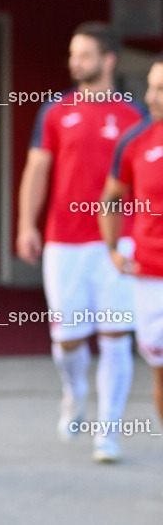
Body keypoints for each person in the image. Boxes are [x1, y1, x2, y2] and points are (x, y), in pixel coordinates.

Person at [16, 22, 145, 463]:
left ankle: (107, 432)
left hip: (117, 243)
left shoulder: (134, 116)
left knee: (114, 336)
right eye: (72, 54)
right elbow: (37, 170)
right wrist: (26, 225)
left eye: (84, 55)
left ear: (108, 59)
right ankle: (74, 393)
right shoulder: (54, 112)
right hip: (63, 243)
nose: (75, 63)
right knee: (68, 340)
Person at [99, 58, 163, 429]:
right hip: (151, 276)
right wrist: (112, 248)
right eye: (150, 87)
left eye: (160, 89)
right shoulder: (136, 141)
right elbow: (110, 199)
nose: (150, 97)